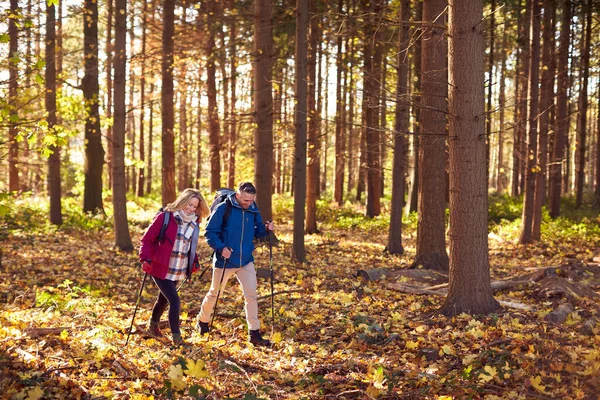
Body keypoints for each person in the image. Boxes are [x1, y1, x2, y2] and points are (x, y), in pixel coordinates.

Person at [195, 182, 275, 346]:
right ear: (237, 195)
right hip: (225, 260)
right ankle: (202, 321)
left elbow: (259, 232)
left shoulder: (253, 209)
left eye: (251, 200)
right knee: (214, 294)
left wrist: (267, 228)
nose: (248, 203)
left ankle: (254, 333)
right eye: (246, 200)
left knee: (251, 295)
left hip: (245, 260)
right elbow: (210, 232)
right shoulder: (224, 208)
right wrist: (221, 247)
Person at [139, 188, 210, 347]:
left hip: (178, 269)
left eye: (194, 206)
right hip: (159, 267)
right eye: (189, 204)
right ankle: (177, 339)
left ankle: (153, 326)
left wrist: (194, 261)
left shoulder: (194, 223)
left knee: (163, 299)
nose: (191, 208)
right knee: (175, 301)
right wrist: (145, 258)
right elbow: (147, 240)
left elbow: (188, 246)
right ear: (182, 201)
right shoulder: (165, 217)